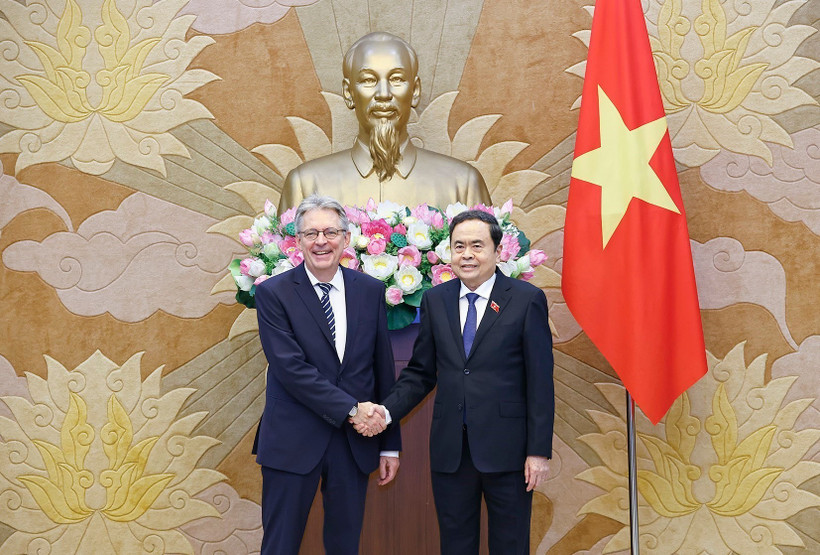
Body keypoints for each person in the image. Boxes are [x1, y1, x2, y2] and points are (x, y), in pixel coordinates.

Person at [356, 209, 554, 554]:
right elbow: (420, 373)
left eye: (477, 245)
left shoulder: (525, 300)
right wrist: (385, 413)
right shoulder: (436, 300)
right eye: (458, 246)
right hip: (451, 450)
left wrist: (537, 452)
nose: (467, 254)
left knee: (511, 544)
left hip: (508, 451)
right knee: (456, 545)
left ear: (497, 250)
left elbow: (540, 381)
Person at [253, 194, 400, 555]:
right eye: (311, 233)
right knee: (280, 545)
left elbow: (382, 366)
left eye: (330, 232)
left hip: (353, 445)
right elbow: (291, 369)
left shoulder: (370, 290)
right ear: (298, 241)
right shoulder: (274, 293)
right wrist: (353, 410)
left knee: (345, 545)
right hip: (292, 440)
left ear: (346, 239)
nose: (321, 242)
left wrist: (390, 444)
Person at [278, 32, 492, 211]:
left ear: (415, 90)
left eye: (396, 79)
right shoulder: (305, 185)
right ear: (349, 93)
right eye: (369, 80)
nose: (383, 94)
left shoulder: (463, 184)